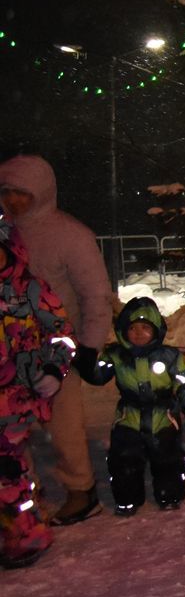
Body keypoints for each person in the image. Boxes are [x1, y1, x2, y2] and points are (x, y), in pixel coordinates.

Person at [0, 154, 113, 526]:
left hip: (58, 347)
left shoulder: (70, 235)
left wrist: (90, 345)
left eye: (22, 192)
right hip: (12, 351)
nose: (14, 200)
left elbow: (95, 294)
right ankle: (24, 495)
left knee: (64, 427)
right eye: (7, 192)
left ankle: (81, 490)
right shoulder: (5, 233)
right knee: (12, 431)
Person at [77, 297, 185, 515]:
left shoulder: (170, 356)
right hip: (129, 417)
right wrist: (86, 361)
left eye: (145, 327)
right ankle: (127, 499)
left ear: (156, 330)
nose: (138, 333)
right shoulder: (116, 356)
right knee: (124, 460)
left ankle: (169, 494)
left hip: (163, 417)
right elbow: (98, 376)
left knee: (168, 460)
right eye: (132, 328)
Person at [0, 217, 74, 568]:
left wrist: (52, 369)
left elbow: (61, 334)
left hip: (15, 395)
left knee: (8, 467)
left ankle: (28, 531)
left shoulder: (30, 290)